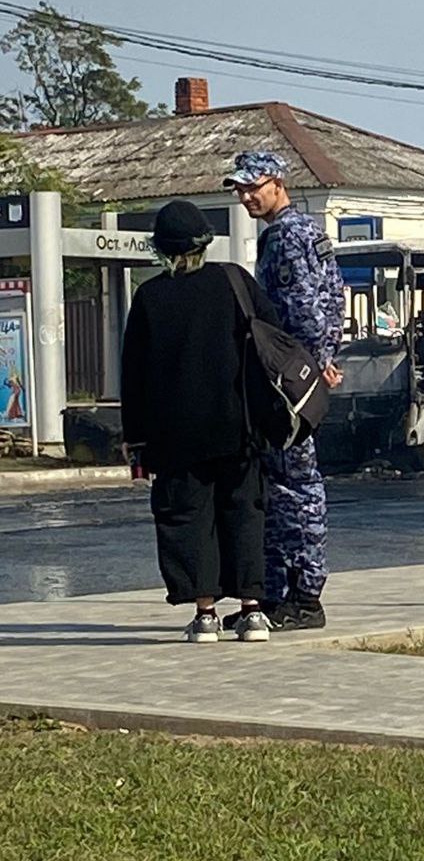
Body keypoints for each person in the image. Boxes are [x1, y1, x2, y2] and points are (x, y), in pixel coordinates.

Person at [120, 201, 280, 643]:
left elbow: (133, 375)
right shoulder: (233, 282)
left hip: (176, 436)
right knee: (245, 513)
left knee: (188, 518)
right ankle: (252, 612)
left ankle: (205, 613)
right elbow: (273, 334)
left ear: (162, 250)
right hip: (239, 426)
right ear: (205, 243)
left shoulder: (150, 297)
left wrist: (135, 439)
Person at [225, 150, 345, 631]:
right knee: (281, 486)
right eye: (239, 188)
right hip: (299, 374)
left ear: (277, 183)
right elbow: (335, 297)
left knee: (293, 487)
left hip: (287, 382)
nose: (246, 196)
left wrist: (307, 369)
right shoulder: (307, 231)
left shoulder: (287, 237)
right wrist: (326, 358)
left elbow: (305, 313)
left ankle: (303, 596)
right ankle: (276, 595)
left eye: (254, 187)